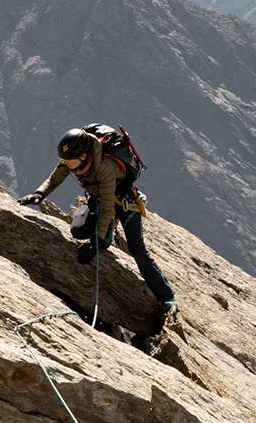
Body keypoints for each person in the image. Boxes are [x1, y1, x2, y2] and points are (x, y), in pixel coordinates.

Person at [20, 124, 177, 319]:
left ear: (84, 156)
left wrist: (96, 242)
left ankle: (167, 297)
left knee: (137, 250)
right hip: (99, 201)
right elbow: (56, 177)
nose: (67, 166)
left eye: (70, 163)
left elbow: (109, 207)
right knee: (78, 231)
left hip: (125, 205)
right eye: (65, 162)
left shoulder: (104, 166)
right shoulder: (74, 159)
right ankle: (105, 237)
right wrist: (39, 194)